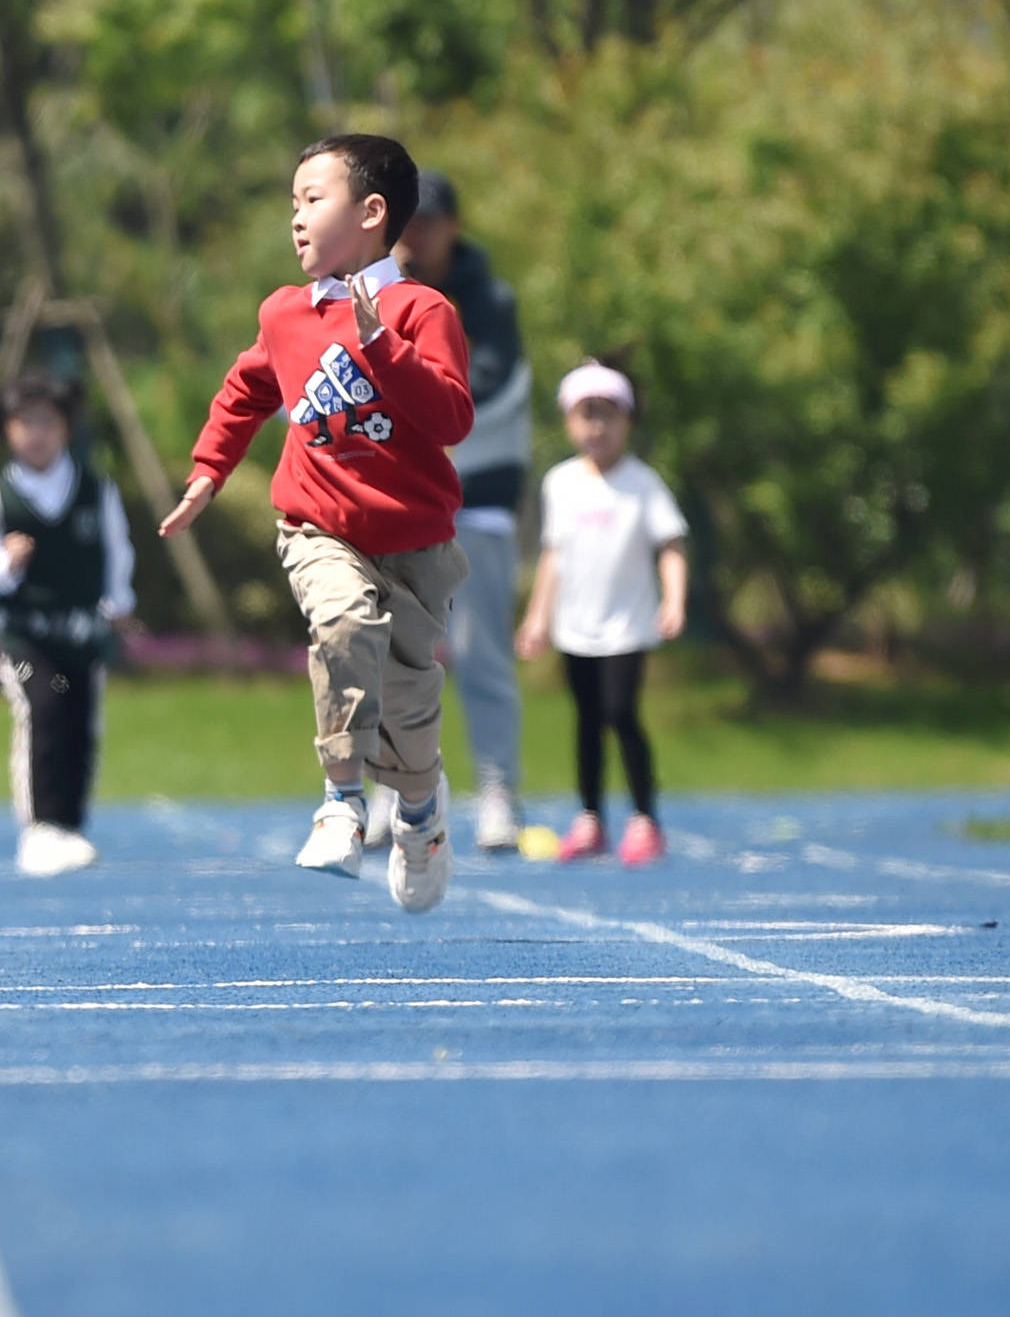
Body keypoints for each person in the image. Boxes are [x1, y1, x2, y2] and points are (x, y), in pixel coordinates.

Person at [162, 131, 478, 913]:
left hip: (413, 544)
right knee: (342, 622)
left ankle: (420, 815)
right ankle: (341, 800)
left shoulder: (421, 310)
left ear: (372, 213)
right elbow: (246, 390)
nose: (295, 220)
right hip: (318, 527)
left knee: (408, 705)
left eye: (312, 200)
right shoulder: (284, 314)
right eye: (291, 204)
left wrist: (381, 347)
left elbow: (450, 417)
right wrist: (209, 469)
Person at [397, 169, 534, 851]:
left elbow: (481, 390)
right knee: (399, 654)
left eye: (427, 221)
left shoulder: (490, 301)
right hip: (403, 502)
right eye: (404, 221)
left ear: (453, 224)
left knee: (481, 655)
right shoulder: (378, 290)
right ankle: (401, 792)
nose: (415, 235)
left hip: (476, 500)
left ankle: (497, 791)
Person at [0, 372, 135, 876]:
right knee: (43, 709)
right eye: (24, 423)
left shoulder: (95, 488)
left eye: (47, 423)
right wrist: (5, 565)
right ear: (6, 429)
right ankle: (39, 828)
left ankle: (70, 825)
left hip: (80, 634)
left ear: (65, 428)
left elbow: (116, 551)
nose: (36, 433)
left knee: (81, 720)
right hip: (25, 638)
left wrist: (120, 603)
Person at [515, 363, 687, 863]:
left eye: (607, 416)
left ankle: (644, 818)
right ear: (569, 421)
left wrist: (674, 599)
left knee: (620, 714)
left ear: (627, 422)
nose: (597, 428)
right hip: (576, 627)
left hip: (628, 626)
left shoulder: (643, 484)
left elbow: (671, 544)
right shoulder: (561, 483)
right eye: (586, 415)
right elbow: (554, 555)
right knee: (587, 719)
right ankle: (590, 817)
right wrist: (536, 619)